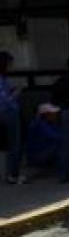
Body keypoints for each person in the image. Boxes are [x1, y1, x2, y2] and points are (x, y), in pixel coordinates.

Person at [0, 51, 25, 184]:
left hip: (8, 112)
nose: (11, 66)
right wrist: (15, 93)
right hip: (8, 113)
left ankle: (12, 173)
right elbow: (4, 101)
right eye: (10, 63)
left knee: (13, 144)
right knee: (14, 144)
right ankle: (13, 174)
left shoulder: (4, 79)